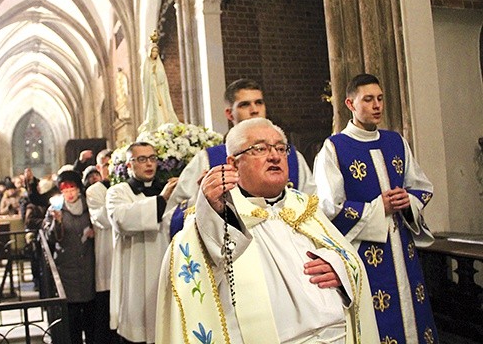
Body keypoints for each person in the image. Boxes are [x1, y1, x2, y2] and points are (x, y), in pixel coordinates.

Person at [156, 118, 378, 344]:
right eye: (259, 149)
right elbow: (196, 267)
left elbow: (348, 257)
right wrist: (211, 209)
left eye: (280, 148)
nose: (274, 156)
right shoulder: (217, 214)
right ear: (233, 164)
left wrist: (340, 269)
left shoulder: (303, 206)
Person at [313, 73, 438, 343]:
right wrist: (376, 207)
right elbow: (328, 208)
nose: (376, 105)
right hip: (365, 254)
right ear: (350, 104)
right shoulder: (334, 148)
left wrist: (409, 201)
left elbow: (422, 186)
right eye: (368, 99)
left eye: (380, 98)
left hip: (403, 250)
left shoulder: (396, 142)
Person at [169, 78, 316, 236]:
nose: (254, 110)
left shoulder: (291, 156)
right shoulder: (207, 160)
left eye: (259, 103)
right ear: (229, 113)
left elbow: (312, 206)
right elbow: (173, 217)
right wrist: (202, 199)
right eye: (245, 104)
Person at [106, 142, 179, 343]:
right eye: (141, 159)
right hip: (134, 277)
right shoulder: (118, 192)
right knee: (136, 331)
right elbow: (122, 219)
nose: (149, 164)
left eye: (152, 158)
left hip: (165, 271)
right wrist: (162, 199)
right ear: (129, 165)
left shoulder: (169, 191)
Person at [43, 169, 96, 344]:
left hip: (88, 266)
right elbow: (49, 238)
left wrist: (94, 233)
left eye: (72, 189)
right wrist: (56, 222)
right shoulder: (55, 209)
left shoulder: (90, 206)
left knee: (90, 315)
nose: (69, 194)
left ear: (79, 189)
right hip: (67, 268)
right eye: (65, 191)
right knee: (71, 316)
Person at [85, 149, 120, 344]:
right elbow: (105, 218)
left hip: (123, 254)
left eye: (113, 164)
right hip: (107, 255)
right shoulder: (94, 190)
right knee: (106, 313)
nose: (110, 169)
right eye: (106, 165)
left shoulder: (123, 185)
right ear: (99, 168)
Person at [137, 32, 179, 133]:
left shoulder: (159, 64)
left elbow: (162, 79)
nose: (155, 53)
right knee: (154, 109)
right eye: (153, 51)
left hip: (160, 90)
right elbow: (144, 79)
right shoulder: (146, 64)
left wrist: (156, 74)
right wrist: (151, 75)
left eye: (156, 51)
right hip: (151, 91)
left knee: (163, 108)